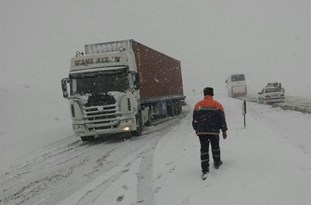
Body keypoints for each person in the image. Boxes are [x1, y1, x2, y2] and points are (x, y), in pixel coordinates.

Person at [192, 87, 228, 180]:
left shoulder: (198, 105)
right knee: (215, 147)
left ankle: (205, 170)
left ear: (204, 94)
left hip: (202, 132)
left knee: (204, 150)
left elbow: (194, 120)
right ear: (212, 94)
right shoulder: (217, 105)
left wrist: (196, 129)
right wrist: (224, 130)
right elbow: (221, 119)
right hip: (214, 131)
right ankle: (217, 162)